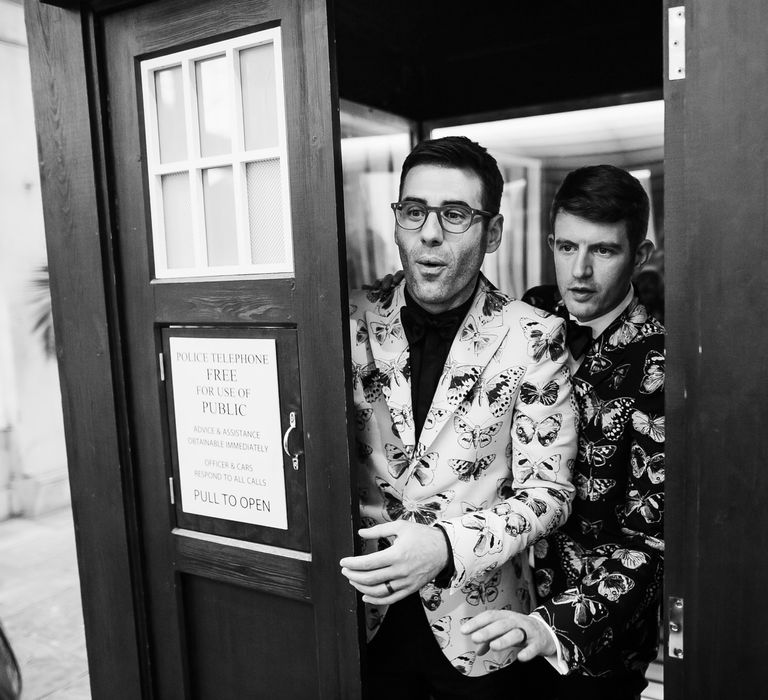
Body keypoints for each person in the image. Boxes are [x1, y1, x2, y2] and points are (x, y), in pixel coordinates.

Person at [339, 135, 578, 698]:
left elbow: (550, 492)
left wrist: (446, 545)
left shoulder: (534, 337)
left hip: (480, 632)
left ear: (492, 233)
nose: (428, 233)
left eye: (454, 215)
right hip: (359, 619)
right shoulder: (345, 318)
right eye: (414, 211)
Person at [462, 164, 665, 700]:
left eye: (603, 251)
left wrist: (555, 628)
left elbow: (649, 540)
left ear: (639, 257)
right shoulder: (535, 311)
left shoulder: (664, 365)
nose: (579, 271)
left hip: (594, 647)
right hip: (495, 609)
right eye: (568, 246)